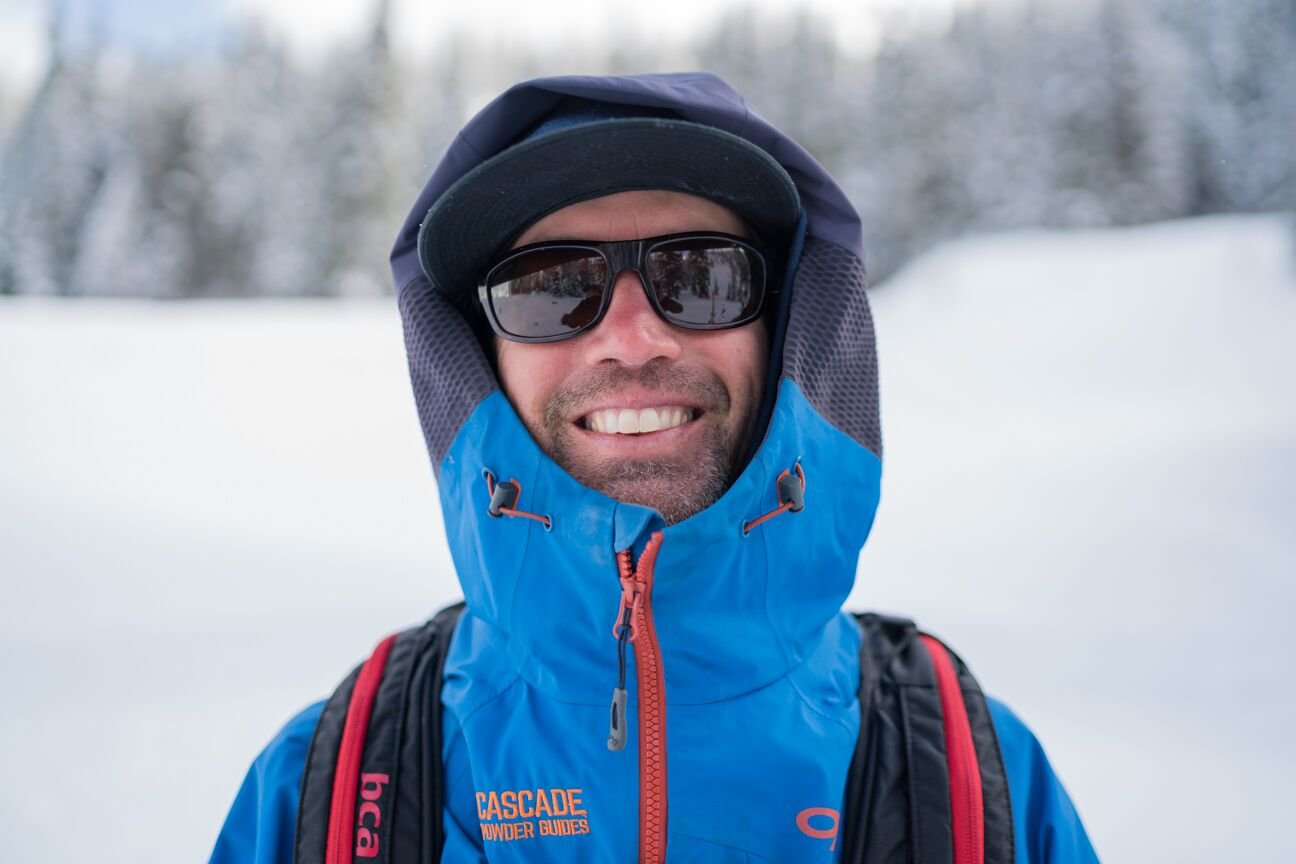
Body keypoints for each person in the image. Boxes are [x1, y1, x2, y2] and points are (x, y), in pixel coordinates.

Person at [211, 73, 1099, 863]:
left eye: (702, 275)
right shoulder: (323, 795)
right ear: (480, 361)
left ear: (783, 331)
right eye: (550, 287)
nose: (634, 339)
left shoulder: (976, 787)